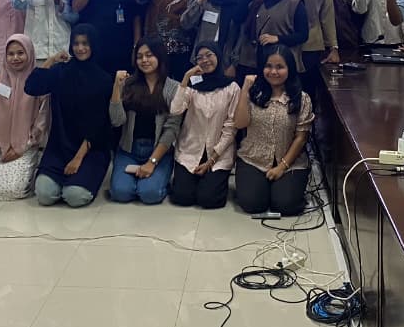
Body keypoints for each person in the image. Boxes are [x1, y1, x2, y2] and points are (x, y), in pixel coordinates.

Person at [25, 25, 113, 208]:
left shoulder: (103, 79)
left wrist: (78, 159)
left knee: (75, 196)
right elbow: (32, 86)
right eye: (76, 43)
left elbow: (99, 125)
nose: (80, 48)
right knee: (44, 194)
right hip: (60, 147)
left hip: (90, 149)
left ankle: (76, 183)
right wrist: (51, 60)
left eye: (85, 43)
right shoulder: (61, 71)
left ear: (93, 45)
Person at [233, 46, 314, 216]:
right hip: (253, 158)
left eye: (280, 67)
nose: (273, 72)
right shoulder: (254, 93)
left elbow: (301, 138)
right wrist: (245, 90)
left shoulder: (301, 98)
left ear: (289, 69)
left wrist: (282, 167)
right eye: (268, 66)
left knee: (285, 205)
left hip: (290, 161)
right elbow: (240, 124)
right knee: (252, 204)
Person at [0, 34, 50, 200]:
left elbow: (42, 120)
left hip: (25, 145)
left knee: (14, 189)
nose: (15, 58)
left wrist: (23, 147)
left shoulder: (38, 83)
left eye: (20, 53)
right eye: (11, 54)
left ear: (29, 53)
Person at [168, 42, 242, 209]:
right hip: (190, 150)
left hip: (218, 153)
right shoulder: (192, 86)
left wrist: (211, 160)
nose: (205, 60)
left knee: (209, 200)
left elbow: (231, 127)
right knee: (182, 198)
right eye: (200, 57)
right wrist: (186, 78)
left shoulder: (232, 87)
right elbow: (175, 110)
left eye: (209, 55)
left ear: (218, 57)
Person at [109, 38, 181, 204]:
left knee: (150, 194)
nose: (144, 60)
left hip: (158, 151)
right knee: (121, 193)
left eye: (149, 55)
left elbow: (171, 130)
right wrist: (117, 87)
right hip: (129, 150)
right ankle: (135, 181)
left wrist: (152, 161)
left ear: (160, 56)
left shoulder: (174, 88)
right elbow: (117, 121)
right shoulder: (127, 84)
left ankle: (154, 181)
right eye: (139, 56)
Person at [236, 0, 309, 81]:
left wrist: (278, 39)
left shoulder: (295, 3)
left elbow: (303, 35)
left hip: (283, 65)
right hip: (256, 62)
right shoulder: (260, 0)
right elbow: (238, 17)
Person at [290, 0, 339, 105]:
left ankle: (307, 121)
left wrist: (333, 47)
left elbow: (327, 16)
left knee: (307, 91)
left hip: (310, 44)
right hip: (284, 40)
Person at [181, 0, 249, 77]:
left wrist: (234, 64)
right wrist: (199, 1)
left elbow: (242, 36)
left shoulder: (240, 1)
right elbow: (185, 23)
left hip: (226, 62)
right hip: (202, 61)